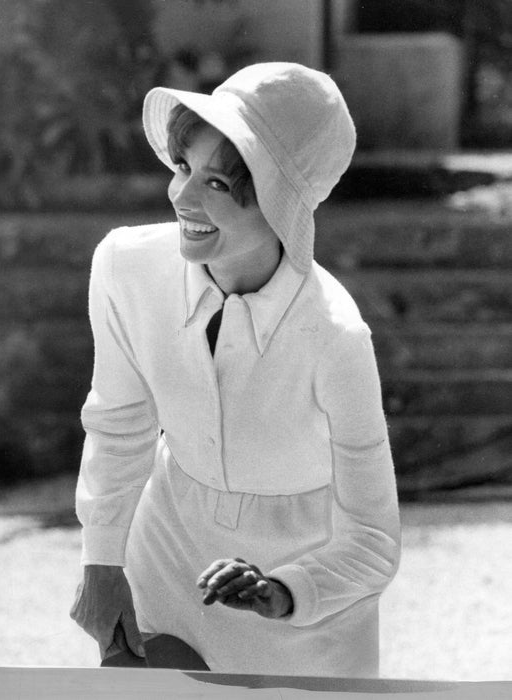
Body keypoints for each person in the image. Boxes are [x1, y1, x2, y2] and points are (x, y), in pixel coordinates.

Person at [70, 62, 400, 677]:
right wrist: (101, 564)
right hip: (166, 553)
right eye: (182, 167)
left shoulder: (337, 337)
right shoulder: (124, 267)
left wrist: (282, 589)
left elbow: (374, 540)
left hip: (310, 595)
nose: (182, 197)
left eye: (217, 184)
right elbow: (119, 424)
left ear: (280, 206)